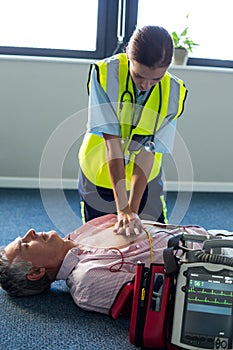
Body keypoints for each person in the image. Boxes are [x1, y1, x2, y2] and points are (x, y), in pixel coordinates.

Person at [78, 25, 188, 236]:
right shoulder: (104, 75)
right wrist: (123, 209)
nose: (146, 85)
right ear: (128, 54)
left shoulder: (173, 92)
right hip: (100, 171)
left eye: (156, 79)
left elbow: (149, 152)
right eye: (139, 76)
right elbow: (113, 146)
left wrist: (133, 211)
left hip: (145, 177)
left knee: (155, 240)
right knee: (100, 241)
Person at [0, 214, 208, 315]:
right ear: (36, 272)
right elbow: (167, 301)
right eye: (25, 245)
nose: (31, 232)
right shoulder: (87, 280)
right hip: (215, 264)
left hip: (210, 235)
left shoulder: (79, 233)